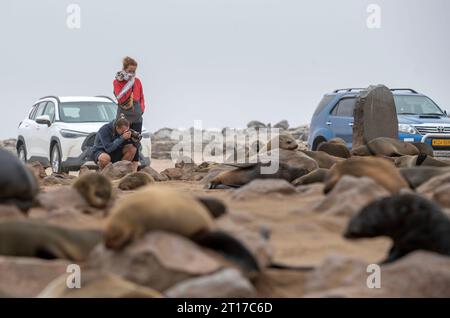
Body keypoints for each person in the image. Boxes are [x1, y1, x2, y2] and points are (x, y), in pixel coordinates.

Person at [113, 56, 145, 134]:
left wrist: (141, 110)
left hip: (137, 117)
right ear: (124, 69)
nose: (132, 73)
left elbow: (141, 97)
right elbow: (121, 99)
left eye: (134, 71)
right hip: (123, 115)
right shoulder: (117, 82)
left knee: (136, 141)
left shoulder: (137, 81)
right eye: (130, 71)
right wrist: (129, 84)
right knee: (121, 141)